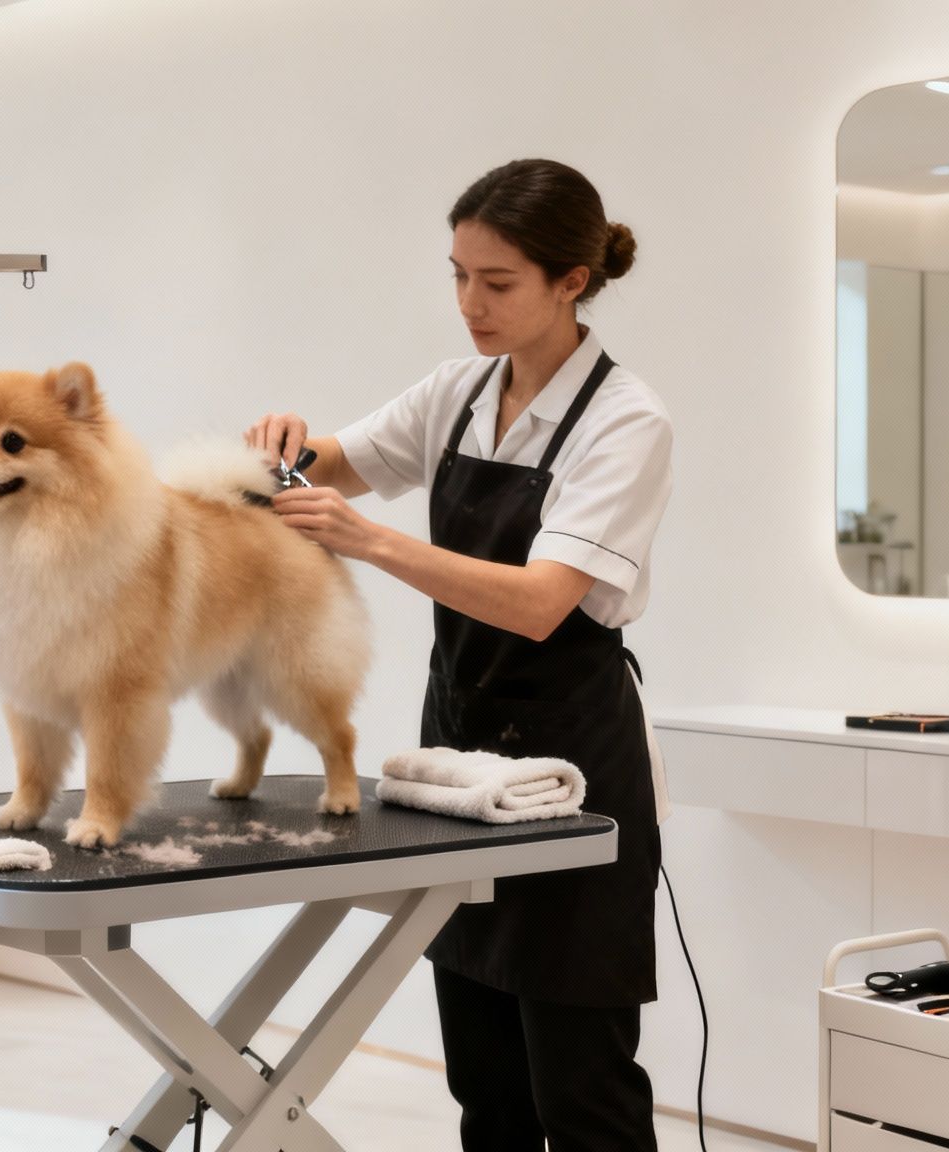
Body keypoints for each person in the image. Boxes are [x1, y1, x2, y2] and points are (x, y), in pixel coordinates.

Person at [246, 157, 674, 1151]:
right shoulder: (456, 392)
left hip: (573, 771)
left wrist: (368, 540)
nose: (467, 304)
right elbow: (328, 468)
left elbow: (538, 603)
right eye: (455, 275)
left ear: (570, 281)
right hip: (457, 764)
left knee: (581, 1087)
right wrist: (279, 450)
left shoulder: (623, 421)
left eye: (496, 283)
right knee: (484, 1085)